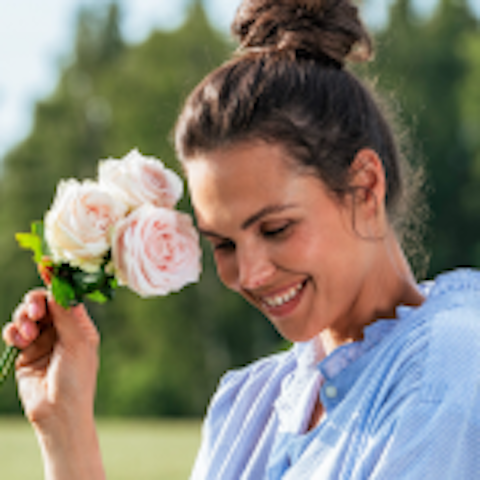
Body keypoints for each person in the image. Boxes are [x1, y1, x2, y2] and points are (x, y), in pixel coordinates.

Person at [3, 0, 480, 478]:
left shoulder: (447, 372)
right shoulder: (247, 407)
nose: (248, 275)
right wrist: (65, 425)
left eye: (276, 229)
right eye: (224, 244)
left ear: (364, 187)